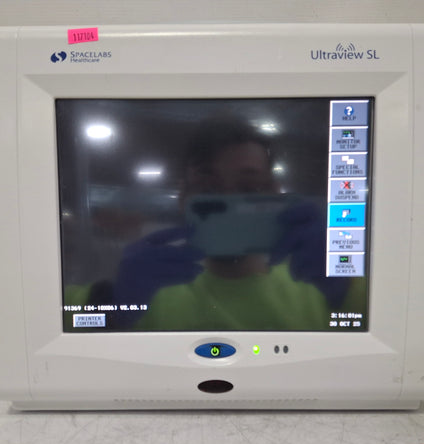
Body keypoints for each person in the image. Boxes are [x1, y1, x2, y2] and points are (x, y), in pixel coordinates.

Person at [112, 118, 351, 331]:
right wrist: (112, 307)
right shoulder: (146, 289)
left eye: (249, 188)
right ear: (183, 198)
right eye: (208, 189)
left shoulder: (315, 281)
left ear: (274, 195)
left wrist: (346, 286)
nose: (228, 201)